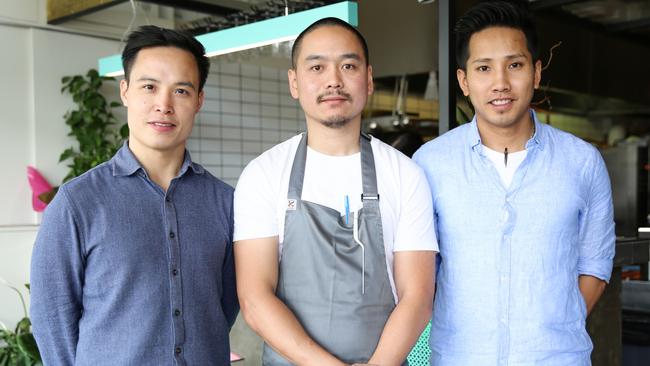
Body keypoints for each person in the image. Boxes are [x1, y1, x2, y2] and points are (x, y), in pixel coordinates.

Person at [413, 1, 615, 365]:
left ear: (536, 73)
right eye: (484, 68)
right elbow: (418, 273)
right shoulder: (429, 164)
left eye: (515, 65)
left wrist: (552, 331)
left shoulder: (583, 162)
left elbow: (595, 265)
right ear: (464, 81)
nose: (501, 83)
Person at [233, 17, 437, 366]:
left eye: (348, 65)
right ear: (294, 83)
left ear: (368, 79)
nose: (334, 80)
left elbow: (417, 296)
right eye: (317, 67)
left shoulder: (405, 174)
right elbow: (255, 298)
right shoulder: (263, 174)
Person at [30, 25, 238, 366]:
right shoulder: (76, 203)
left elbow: (224, 305)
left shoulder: (226, 203)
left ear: (199, 100)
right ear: (125, 91)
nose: (164, 104)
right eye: (149, 87)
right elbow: (52, 316)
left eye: (181, 91)